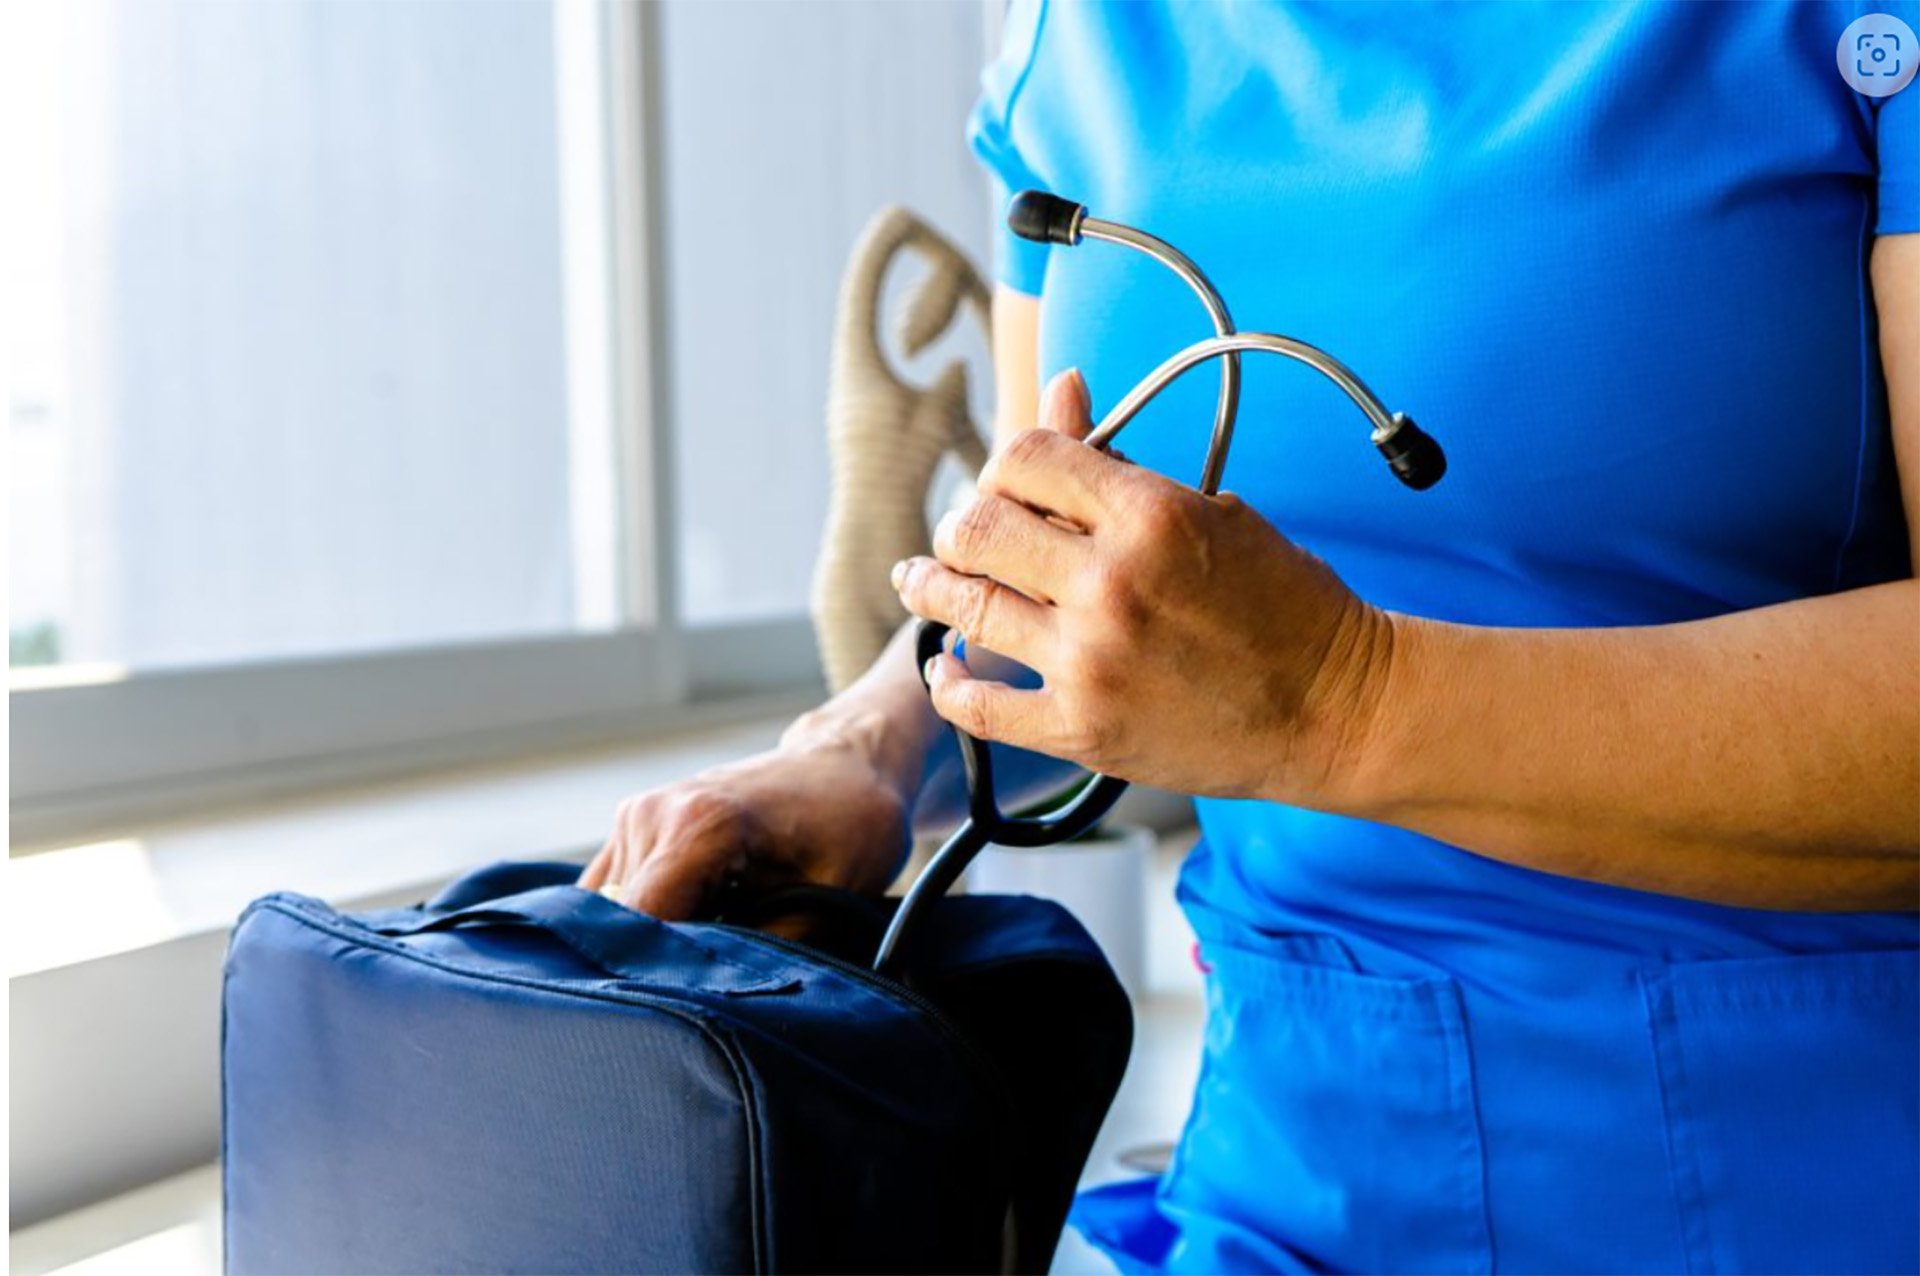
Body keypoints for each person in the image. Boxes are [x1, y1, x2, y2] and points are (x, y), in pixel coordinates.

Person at [583, 2, 1920, 1270]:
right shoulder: (1082, 38)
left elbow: (1269, 683)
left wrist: (1347, 701)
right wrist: (866, 748)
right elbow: (1072, 591)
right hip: (1291, 1169)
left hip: (1817, 1164)